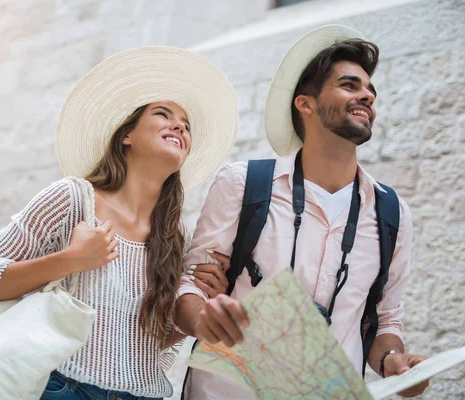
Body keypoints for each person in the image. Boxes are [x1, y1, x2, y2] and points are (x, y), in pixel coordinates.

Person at [0, 46, 238, 400]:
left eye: (185, 125)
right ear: (126, 135)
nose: (179, 126)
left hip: (142, 394)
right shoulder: (73, 200)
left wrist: (199, 307)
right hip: (62, 388)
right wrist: (70, 260)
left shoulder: (171, 237)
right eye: (163, 114)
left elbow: (144, 340)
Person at [175, 25, 430, 399]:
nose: (366, 96)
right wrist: (202, 319)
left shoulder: (393, 213)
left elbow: (382, 319)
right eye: (349, 85)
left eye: (370, 90)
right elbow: (191, 287)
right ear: (305, 104)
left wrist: (393, 361)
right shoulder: (242, 184)